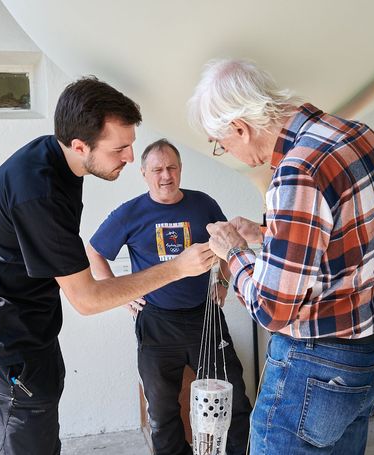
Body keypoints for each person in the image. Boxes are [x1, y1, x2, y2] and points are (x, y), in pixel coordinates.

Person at [0, 78, 215, 455]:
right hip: (5, 337)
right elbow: (88, 299)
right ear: (80, 146)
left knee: (44, 418)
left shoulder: (60, 160)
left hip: (33, 325)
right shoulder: (39, 193)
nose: (131, 157)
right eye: (121, 148)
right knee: (30, 438)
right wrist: (178, 268)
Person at [189, 59, 374, 454]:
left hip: (315, 366)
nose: (228, 152)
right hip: (369, 354)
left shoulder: (296, 172)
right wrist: (268, 232)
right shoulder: (361, 136)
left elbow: (273, 308)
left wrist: (233, 252)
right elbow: (345, 238)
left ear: (240, 127)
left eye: (223, 144)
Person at [85, 138, 252, 455]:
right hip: (157, 322)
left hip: (205, 315)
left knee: (233, 397)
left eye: (172, 167)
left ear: (180, 170)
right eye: (158, 169)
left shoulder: (203, 204)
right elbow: (94, 250)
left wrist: (224, 282)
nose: (166, 175)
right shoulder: (130, 213)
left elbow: (227, 243)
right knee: (162, 412)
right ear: (144, 173)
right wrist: (120, 294)